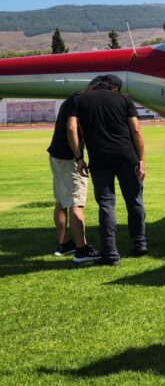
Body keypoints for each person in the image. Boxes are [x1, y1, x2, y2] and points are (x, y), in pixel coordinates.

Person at [67, 74, 147, 266]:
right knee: (134, 201)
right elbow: (136, 130)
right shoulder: (125, 100)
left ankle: (110, 253)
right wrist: (142, 159)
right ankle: (140, 244)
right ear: (115, 88)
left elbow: (71, 128)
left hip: (99, 159)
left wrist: (79, 158)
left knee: (106, 205)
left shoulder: (78, 100)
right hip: (127, 157)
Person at [47, 84, 100, 264]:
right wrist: (79, 158)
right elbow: (71, 128)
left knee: (61, 201)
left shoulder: (71, 100)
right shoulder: (80, 102)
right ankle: (82, 250)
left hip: (56, 155)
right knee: (76, 203)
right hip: (68, 158)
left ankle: (63, 244)